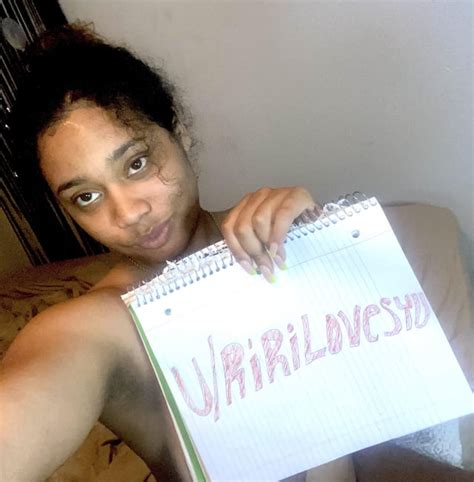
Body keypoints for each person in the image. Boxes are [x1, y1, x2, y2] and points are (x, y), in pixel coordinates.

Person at [1, 23, 318, 481]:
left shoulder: (279, 233)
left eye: (136, 164)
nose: (128, 213)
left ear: (181, 135)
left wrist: (322, 242)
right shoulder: (103, 326)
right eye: (86, 197)